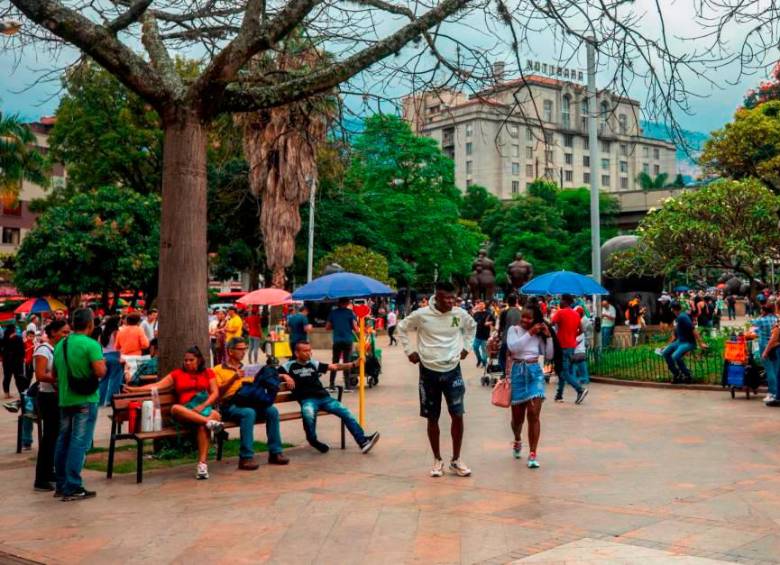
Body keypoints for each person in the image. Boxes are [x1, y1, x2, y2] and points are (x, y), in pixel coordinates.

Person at [397, 281, 477, 478]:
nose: (450, 302)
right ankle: (437, 459)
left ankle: (456, 460)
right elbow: (401, 327)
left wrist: (467, 347)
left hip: (452, 371)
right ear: (437, 297)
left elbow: (471, 327)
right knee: (432, 417)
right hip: (428, 371)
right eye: (446, 298)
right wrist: (409, 351)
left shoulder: (459, 314)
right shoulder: (422, 315)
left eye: (453, 298)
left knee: (457, 414)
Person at [124, 346, 224, 480]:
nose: (187, 363)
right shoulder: (177, 374)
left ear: (199, 360)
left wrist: (203, 406)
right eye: (185, 360)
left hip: (203, 410)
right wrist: (134, 390)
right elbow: (157, 386)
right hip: (186, 412)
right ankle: (210, 423)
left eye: (191, 360)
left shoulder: (208, 373)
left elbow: (215, 393)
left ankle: (202, 465)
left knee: (207, 421)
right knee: (175, 408)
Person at [279, 341, 380, 454]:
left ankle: (363, 442)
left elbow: (334, 366)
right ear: (296, 353)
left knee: (345, 412)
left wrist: (353, 364)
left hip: (324, 398)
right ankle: (313, 441)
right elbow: (270, 373)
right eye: (305, 351)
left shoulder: (313, 363)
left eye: (309, 350)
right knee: (308, 414)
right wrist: (285, 376)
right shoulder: (288, 366)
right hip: (308, 400)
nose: (309, 353)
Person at [53, 308, 107, 501]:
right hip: (85, 399)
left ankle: (60, 484)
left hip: (65, 399)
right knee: (79, 442)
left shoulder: (61, 345)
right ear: (91, 324)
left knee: (63, 440)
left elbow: (53, 374)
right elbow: (101, 372)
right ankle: (73, 485)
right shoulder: (91, 344)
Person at [214, 337, 289, 469]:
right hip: (230, 405)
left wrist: (284, 376)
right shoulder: (218, 369)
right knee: (248, 413)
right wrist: (233, 378)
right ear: (230, 351)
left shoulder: (249, 368)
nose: (243, 352)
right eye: (240, 349)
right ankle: (246, 457)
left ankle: (275, 452)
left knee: (272, 411)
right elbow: (218, 393)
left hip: (250, 401)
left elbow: (264, 378)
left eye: (245, 349)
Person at [506, 306, 549, 468]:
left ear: (536, 319)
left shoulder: (539, 335)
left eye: (528, 318)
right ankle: (517, 438)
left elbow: (549, 354)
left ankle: (532, 453)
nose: (524, 320)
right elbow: (514, 348)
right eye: (522, 317)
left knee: (533, 414)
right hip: (518, 372)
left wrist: (548, 337)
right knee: (517, 419)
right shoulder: (514, 330)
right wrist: (529, 333)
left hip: (534, 373)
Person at [32, 320, 69, 492]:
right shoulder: (43, 350)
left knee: (54, 437)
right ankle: (41, 478)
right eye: (64, 332)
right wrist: (59, 379)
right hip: (47, 397)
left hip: (56, 396)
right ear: (53, 332)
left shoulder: (58, 350)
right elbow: (40, 375)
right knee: (49, 438)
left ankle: (49, 472)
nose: (66, 336)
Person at [551, 294, 589, 404]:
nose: (559, 302)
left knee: (563, 371)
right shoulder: (576, 314)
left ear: (565, 301)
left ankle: (580, 390)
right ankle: (559, 395)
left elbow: (552, 323)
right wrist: (572, 336)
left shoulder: (560, 312)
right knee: (565, 370)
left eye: (561, 300)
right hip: (572, 345)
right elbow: (581, 330)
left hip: (561, 346)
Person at [663, 302, 708, 384]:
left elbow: (693, 329)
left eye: (672, 310)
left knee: (675, 356)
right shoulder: (678, 318)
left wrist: (701, 343)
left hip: (688, 342)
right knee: (665, 352)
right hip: (679, 342)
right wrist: (667, 345)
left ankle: (688, 375)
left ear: (673, 310)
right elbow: (675, 335)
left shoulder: (682, 317)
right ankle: (677, 374)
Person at [746, 304, 778, 403]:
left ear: (764, 311)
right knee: (776, 369)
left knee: (769, 369)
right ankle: (777, 391)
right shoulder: (776, 318)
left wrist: (761, 316)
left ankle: (772, 392)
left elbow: (751, 322)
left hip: (765, 345)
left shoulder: (762, 320)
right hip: (776, 345)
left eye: (761, 310)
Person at [326, 298, 358, 391]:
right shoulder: (350, 313)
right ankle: (347, 386)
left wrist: (336, 325)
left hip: (337, 341)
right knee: (346, 362)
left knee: (335, 362)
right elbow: (355, 328)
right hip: (347, 340)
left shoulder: (333, 313)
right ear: (347, 303)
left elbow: (327, 327)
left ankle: (331, 385)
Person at [97, 316, 124, 406]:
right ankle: (110, 401)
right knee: (115, 379)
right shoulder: (116, 332)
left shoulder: (103, 332)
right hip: (115, 356)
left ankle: (100, 401)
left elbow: (98, 344)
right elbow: (119, 345)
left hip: (104, 357)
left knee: (104, 380)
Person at [497, 294, 522, 375]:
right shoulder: (521, 312)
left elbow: (501, 327)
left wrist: (498, 337)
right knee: (517, 358)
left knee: (501, 358)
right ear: (516, 302)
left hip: (506, 340)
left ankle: (505, 373)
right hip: (519, 340)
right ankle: (516, 373)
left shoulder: (504, 312)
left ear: (508, 302)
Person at [2, 325, 26, 401]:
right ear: (14, 330)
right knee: (19, 378)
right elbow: (22, 351)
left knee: (7, 377)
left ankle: (7, 393)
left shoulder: (3, 339)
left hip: (7, 361)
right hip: (17, 361)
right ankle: (21, 393)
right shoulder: (18, 338)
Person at [471, 301, 494, 368]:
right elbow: (472, 322)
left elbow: (494, 321)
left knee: (484, 350)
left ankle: (484, 362)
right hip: (477, 335)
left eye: (482, 304)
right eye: (479, 304)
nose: (481, 305)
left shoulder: (488, 313)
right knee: (475, 347)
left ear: (484, 305)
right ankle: (479, 359)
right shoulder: (476, 314)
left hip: (485, 335)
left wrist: (489, 323)